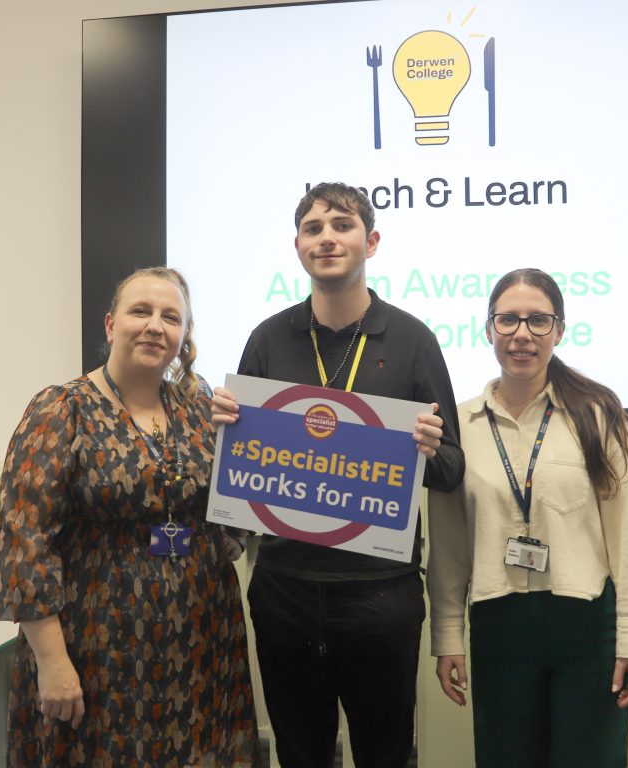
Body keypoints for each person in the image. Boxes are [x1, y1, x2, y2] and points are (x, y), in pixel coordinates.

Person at [211, 182, 465, 768]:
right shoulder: (267, 339)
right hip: (284, 588)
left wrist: (429, 448)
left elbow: (452, 471)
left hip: (379, 593)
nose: (327, 237)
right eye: (313, 228)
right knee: (300, 752)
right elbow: (238, 471)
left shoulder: (412, 340)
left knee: (386, 752)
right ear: (298, 247)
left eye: (342, 225)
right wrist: (222, 426)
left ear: (370, 241)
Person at [0, 267, 261, 767]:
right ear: (112, 326)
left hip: (200, 644)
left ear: (182, 336)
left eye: (170, 317)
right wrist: (51, 663)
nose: (156, 325)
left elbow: (236, 510)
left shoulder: (201, 410)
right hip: (97, 650)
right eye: (142, 312)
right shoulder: (60, 409)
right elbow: (25, 545)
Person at [428, 268, 628, 768]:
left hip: (586, 626)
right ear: (487, 329)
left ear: (560, 329)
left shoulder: (599, 414)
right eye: (508, 320)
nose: (522, 334)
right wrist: (448, 635)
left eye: (538, 321)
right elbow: (447, 544)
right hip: (499, 625)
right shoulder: (461, 425)